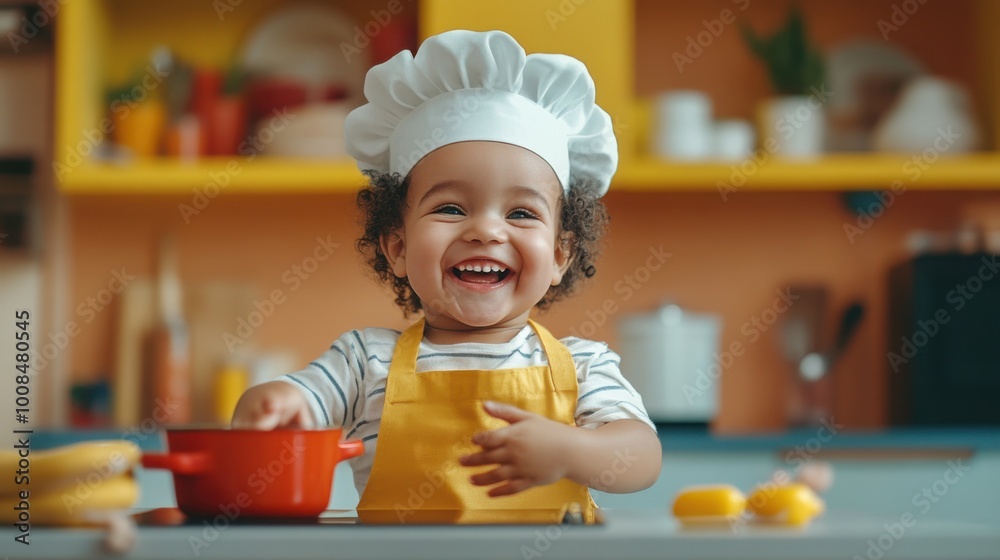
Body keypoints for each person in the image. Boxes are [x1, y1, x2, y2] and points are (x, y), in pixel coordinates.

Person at [232, 29, 662, 524]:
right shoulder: (364, 362)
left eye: (521, 213)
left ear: (561, 254)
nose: (485, 230)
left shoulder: (584, 367)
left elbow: (641, 458)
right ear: (397, 246)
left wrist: (569, 450)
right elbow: (301, 402)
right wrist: (272, 402)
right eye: (452, 208)